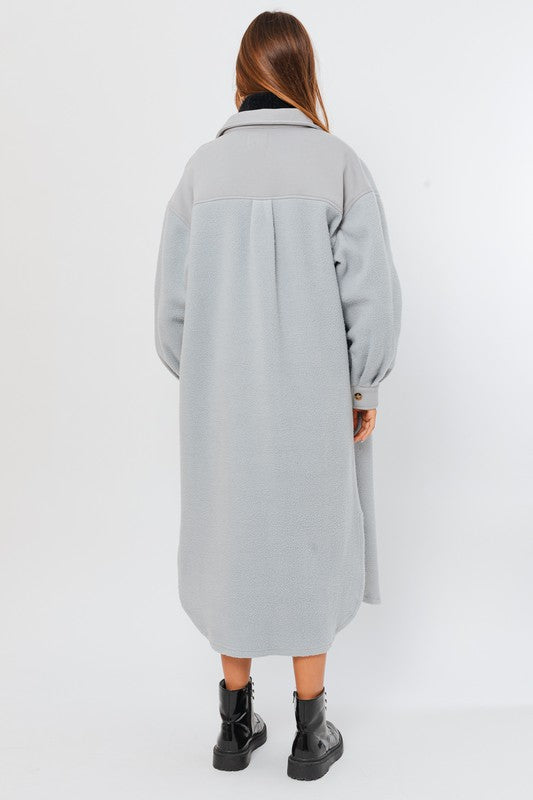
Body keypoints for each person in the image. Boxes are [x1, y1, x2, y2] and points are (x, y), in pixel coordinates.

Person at [154, 10, 402, 781]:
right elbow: (372, 300)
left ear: (242, 75)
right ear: (303, 74)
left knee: (229, 540)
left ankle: (233, 728)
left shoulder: (201, 172)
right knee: (310, 542)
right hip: (314, 405)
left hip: (220, 409)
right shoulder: (339, 166)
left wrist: (210, 378)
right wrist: (361, 385)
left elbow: (170, 314)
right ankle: (308, 731)